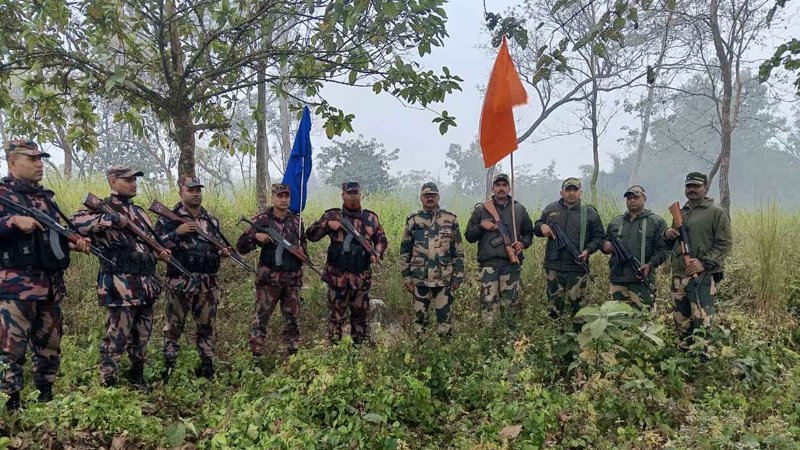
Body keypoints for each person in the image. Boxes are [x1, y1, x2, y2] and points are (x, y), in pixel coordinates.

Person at [0, 140, 90, 411]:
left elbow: (53, 234)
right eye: (33, 159)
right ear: (13, 162)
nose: (40, 163)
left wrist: (72, 242)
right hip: (15, 288)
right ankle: (11, 404)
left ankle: (45, 396)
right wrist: (11, 222)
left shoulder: (45, 198)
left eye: (41, 158)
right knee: (11, 350)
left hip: (49, 286)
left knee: (50, 348)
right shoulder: (2, 194)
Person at [71, 165, 168, 388]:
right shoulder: (101, 209)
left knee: (142, 337)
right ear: (113, 181)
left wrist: (159, 253)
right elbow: (75, 222)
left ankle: (137, 377)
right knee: (116, 337)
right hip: (119, 285)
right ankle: (109, 382)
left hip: (145, 284)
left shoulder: (141, 213)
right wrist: (110, 220)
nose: (134, 183)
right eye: (128, 179)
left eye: (135, 179)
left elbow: (147, 243)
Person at [156, 176, 230, 379]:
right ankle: (169, 367)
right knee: (173, 327)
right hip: (180, 281)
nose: (196, 193)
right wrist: (176, 233)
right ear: (181, 193)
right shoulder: (168, 218)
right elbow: (155, 247)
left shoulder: (210, 220)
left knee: (206, 327)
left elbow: (215, 247)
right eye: (191, 190)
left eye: (198, 190)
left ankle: (206, 365)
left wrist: (221, 252)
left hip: (207, 283)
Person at [306, 182, 387, 345]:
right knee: (335, 319)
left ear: (360, 194)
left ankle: (358, 352)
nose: (352, 196)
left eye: (355, 192)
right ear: (342, 195)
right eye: (349, 192)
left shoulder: (370, 218)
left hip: (360, 278)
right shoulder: (332, 215)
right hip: (337, 277)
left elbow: (381, 239)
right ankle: (335, 352)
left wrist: (377, 252)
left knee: (360, 318)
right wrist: (327, 224)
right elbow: (311, 236)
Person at [664, 172, 732, 350]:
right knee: (681, 320)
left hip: (702, 275)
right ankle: (685, 359)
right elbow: (675, 241)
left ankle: (702, 360)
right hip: (679, 274)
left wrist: (703, 263)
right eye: (689, 186)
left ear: (706, 188)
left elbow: (725, 244)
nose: (692, 189)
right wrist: (669, 234)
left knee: (702, 319)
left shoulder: (716, 212)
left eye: (696, 186)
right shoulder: (681, 212)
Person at [237, 183, 305, 356]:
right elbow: (241, 246)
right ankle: (255, 353)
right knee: (261, 318)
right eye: (279, 196)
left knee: (292, 320)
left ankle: (293, 352)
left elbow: (303, 247)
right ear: (273, 197)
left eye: (286, 196)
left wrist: (302, 254)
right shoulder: (261, 220)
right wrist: (255, 237)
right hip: (269, 280)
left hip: (292, 279)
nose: (283, 200)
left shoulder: (297, 221)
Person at [465, 173, 534, 324]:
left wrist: (523, 243)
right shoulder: (481, 210)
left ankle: (509, 341)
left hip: (510, 265)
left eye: (504, 185)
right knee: (488, 306)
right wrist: (481, 226)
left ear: (509, 188)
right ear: (492, 188)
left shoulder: (519, 209)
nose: (501, 188)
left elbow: (529, 232)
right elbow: (469, 236)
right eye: (498, 185)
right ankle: (489, 341)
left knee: (510, 307)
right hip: (488, 266)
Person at [533, 177, 604, 320]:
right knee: (553, 307)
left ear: (580, 192)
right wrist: (542, 227)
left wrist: (587, 250)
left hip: (577, 267)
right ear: (561, 192)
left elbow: (599, 237)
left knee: (579, 309)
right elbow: (537, 226)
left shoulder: (589, 212)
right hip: (553, 266)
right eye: (568, 190)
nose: (571, 193)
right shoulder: (551, 209)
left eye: (575, 190)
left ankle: (578, 338)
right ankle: (555, 337)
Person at [400, 182, 464, 336]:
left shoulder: (450, 219)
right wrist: (406, 277)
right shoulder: (413, 221)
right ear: (421, 198)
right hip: (419, 279)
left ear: (438, 197)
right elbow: (404, 251)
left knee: (445, 319)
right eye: (426, 196)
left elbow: (458, 251)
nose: (429, 198)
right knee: (420, 320)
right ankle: (420, 352)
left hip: (444, 279)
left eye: (432, 195)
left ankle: (445, 352)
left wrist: (458, 276)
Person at [601, 185, 670, 310]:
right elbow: (604, 242)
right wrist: (605, 246)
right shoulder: (616, 222)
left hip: (641, 281)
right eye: (629, 198)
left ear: (644, 198)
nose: (632, 200)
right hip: (618, 280)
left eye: (635, 197)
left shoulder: (656, 221)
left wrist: (650, 264)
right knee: (618, 320)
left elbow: (664, 250)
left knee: (644, 322)